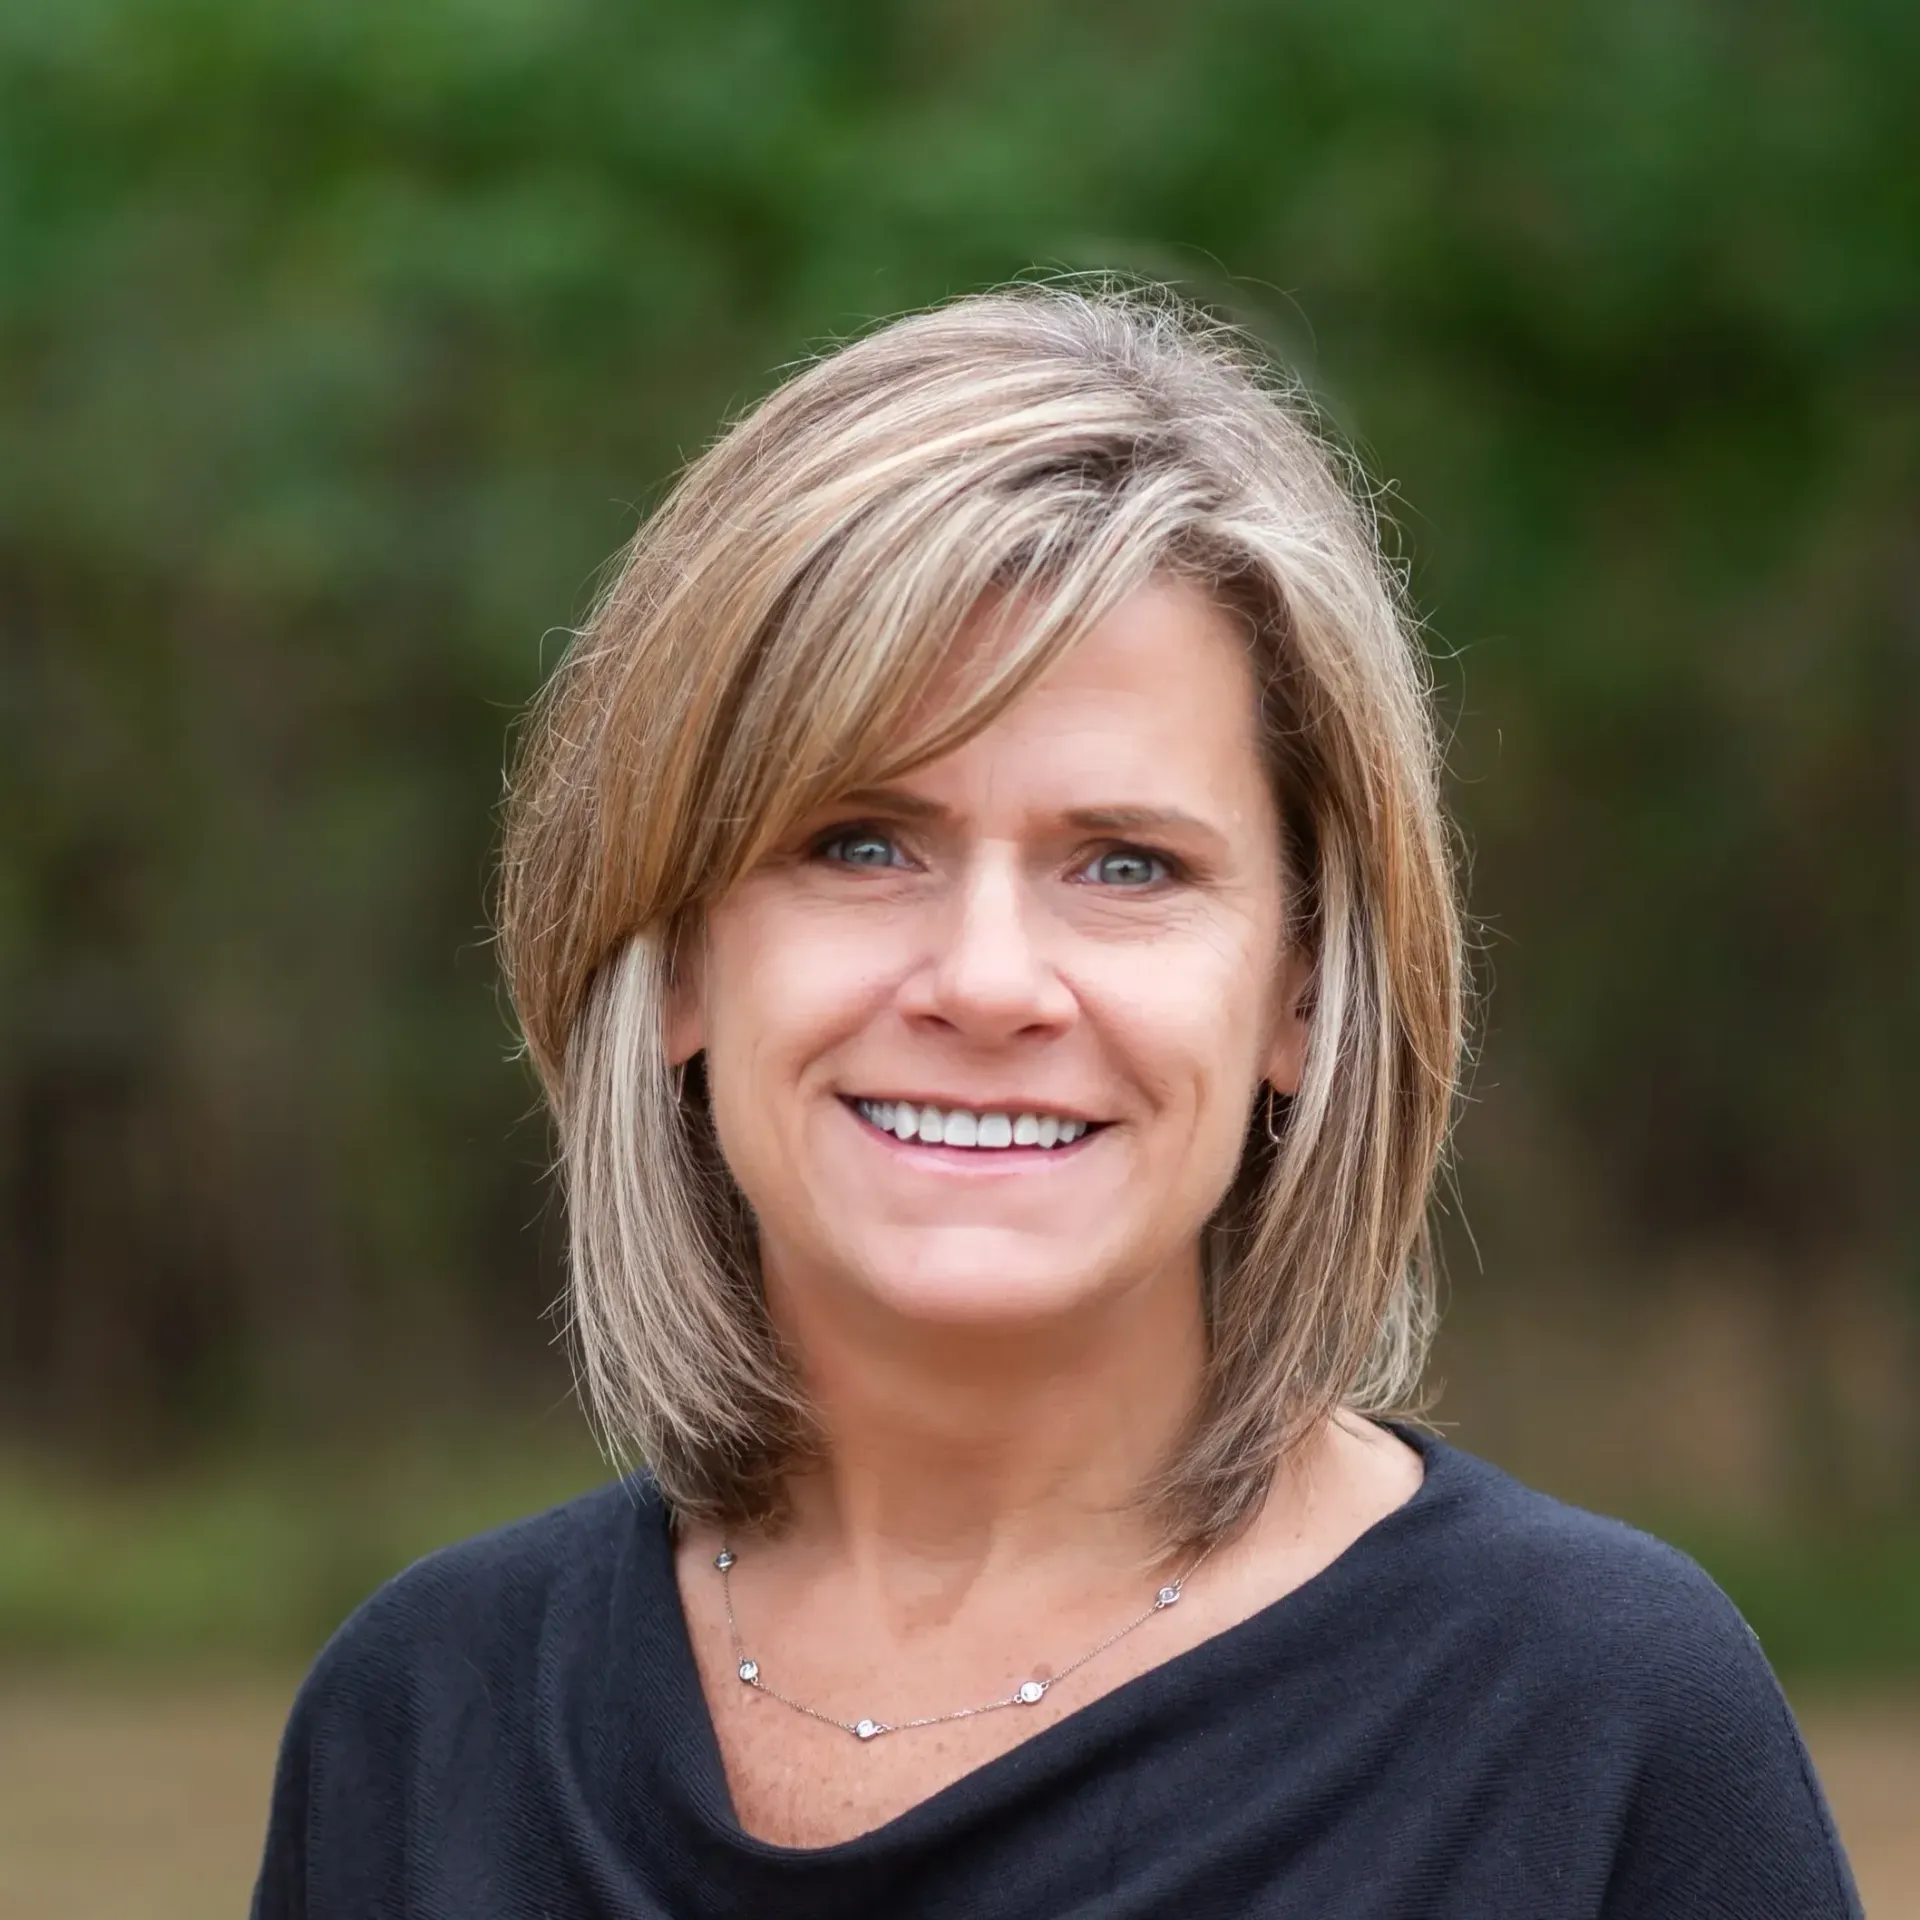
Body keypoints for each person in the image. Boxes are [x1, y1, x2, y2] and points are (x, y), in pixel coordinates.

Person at [252, 283, 1861, 1917]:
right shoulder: (422, 1724)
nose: (989, 980)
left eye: (1127, 863)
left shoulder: (1594, 1723)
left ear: (1302, 995)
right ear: (672, 950)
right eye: (860, 843)